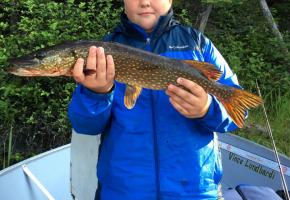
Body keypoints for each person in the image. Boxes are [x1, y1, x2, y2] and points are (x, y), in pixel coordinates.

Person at [68, 0, 242, 199]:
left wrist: (207, 108)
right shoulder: (101, 54)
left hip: (194, 191)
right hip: (124, 191)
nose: (145, 2)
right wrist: (95, 93)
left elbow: (237, 114)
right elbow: (85, 126)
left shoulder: (198, 44)